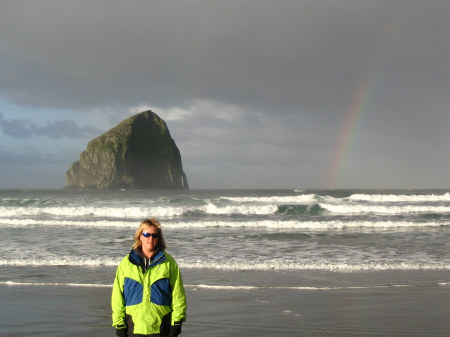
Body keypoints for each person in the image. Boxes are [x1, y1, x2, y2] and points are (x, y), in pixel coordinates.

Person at [112, 218, 187, 337]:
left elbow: (178, 295)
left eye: (154, 235)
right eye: (146, 234)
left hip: (161, 327)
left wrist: (177, 322)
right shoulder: (126, 264)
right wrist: (119, 323)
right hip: (133, 327)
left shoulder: (168, 263)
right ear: (140, 236)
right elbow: (117, 296)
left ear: (159, 238)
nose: (150, 238)